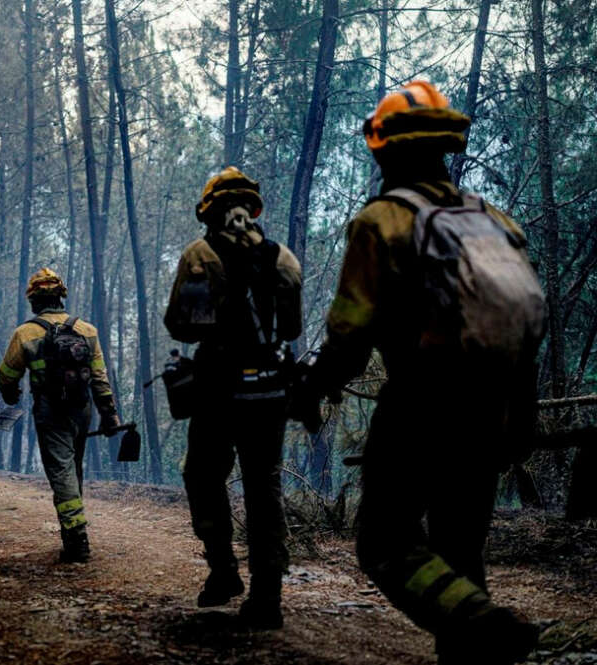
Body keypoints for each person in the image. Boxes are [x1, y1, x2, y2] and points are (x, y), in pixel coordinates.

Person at [292, 81, 545, 665]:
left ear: (384, 151)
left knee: (386, 544)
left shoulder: (383, 221)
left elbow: (349, 336)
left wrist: (311, 389)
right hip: (493, 410)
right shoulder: (498, 222)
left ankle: (482, 623)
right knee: (460, 551)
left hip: (420, 405)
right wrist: (518, 417)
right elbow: (527, 326)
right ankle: (476, 641)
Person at [163, 166, 302, 629]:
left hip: (219, 391)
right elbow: (292, 329)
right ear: (251, 208)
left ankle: (223, 571)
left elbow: (184, 326)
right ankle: (268, 597)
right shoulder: (284, 259)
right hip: (270, 391)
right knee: (264, 489)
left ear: (211, 211)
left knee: (202, 477)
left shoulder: (201, 256)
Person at [0, 268, 120, 563]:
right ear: (61, 296)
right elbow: (100, 377)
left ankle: (77, 540)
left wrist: (11, 395)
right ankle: (71, 532)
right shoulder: (87, 330)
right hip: (83, 408)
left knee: (62, 471)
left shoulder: (25, 333)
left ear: (33, 300)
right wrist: (109, 413)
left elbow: (6, 376)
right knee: (73, 467)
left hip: (50, 410)